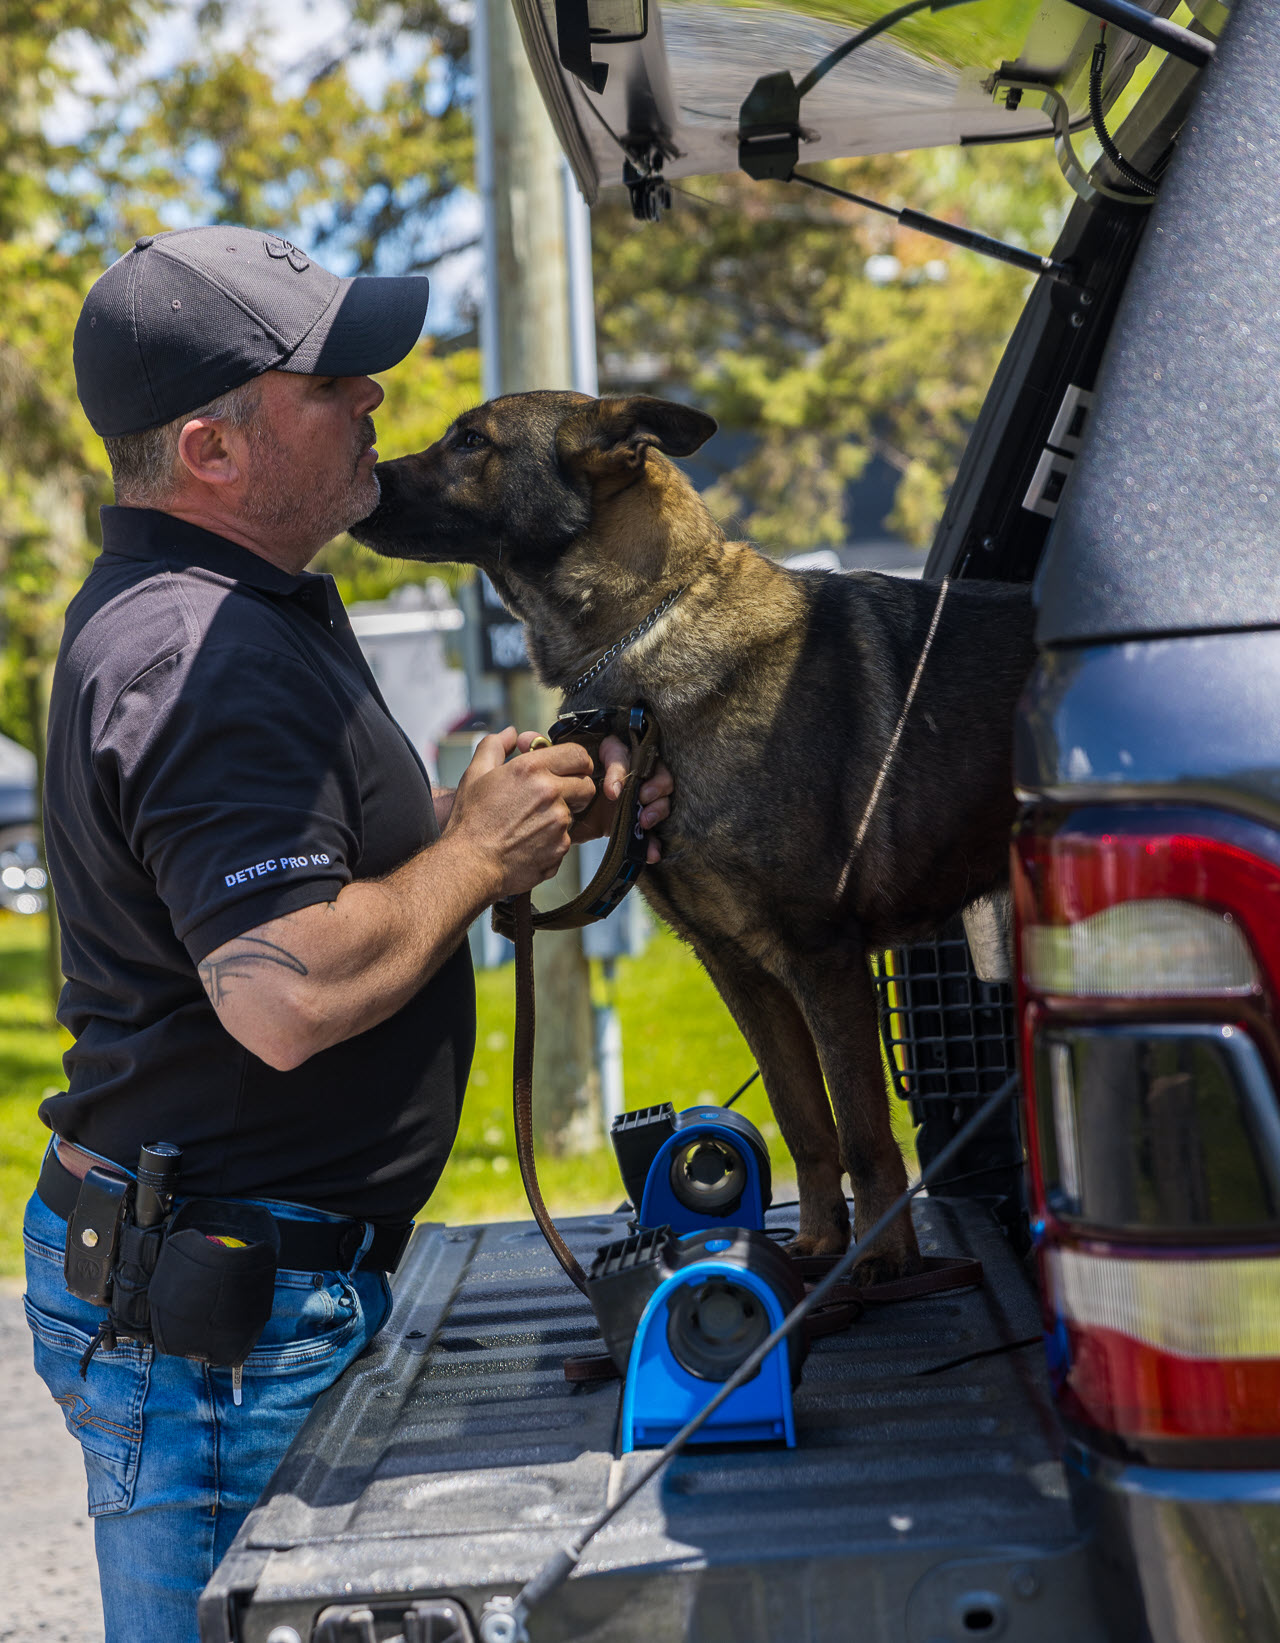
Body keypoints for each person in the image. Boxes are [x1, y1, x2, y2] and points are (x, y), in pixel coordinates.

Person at [23, 225, 673, 1643]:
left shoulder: (227, 615)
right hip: (219, 1332)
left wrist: (497, 813)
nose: (376, 400)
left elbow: (275, 886)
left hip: (236, 1289)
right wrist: (475, 851)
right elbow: (283, 990)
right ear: (212, 449)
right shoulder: (203, 657)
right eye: (334, 383)